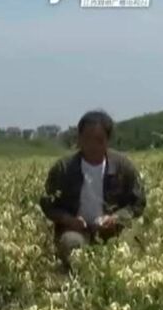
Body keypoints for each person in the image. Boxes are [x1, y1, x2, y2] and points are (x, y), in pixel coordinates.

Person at [40, 111, 146, 270]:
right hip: (76, 230)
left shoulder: (123, 167)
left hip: (113, 231)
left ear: (108, 141)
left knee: (130, 247)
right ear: (79, 139)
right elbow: (48, 204)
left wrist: (115, 218)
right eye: (87, 139)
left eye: (99, 140)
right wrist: (69, 220)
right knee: (72, 245)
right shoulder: (63, 168)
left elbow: (137, 203)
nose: (92, 146)